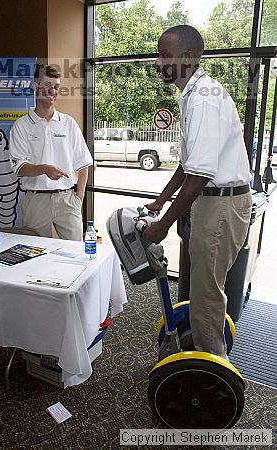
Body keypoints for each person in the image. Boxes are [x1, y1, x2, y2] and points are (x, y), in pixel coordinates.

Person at [143, 25, 252, 359]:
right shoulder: (193, 95)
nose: (158, 61)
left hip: (222, 205)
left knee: (206, 291)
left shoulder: (204, 97)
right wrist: (160, 202)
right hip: (215, 204)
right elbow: (189, 164)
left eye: (165, 54)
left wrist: (162, 226)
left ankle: (211, 367)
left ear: (187, 57)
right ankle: (207, 346)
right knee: (204, 285)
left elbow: (200, 174)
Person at [9, 64, 92, 240]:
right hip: (35, 201)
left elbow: (84, 162)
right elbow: (19, 168)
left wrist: (79, 198)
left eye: (56, 87)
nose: (52, 91)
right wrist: (44, 168)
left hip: (67, 200)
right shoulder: (21, 126)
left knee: (76, 254)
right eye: (47, 85)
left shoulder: (68, 123)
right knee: (34, 255)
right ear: (35, 87)